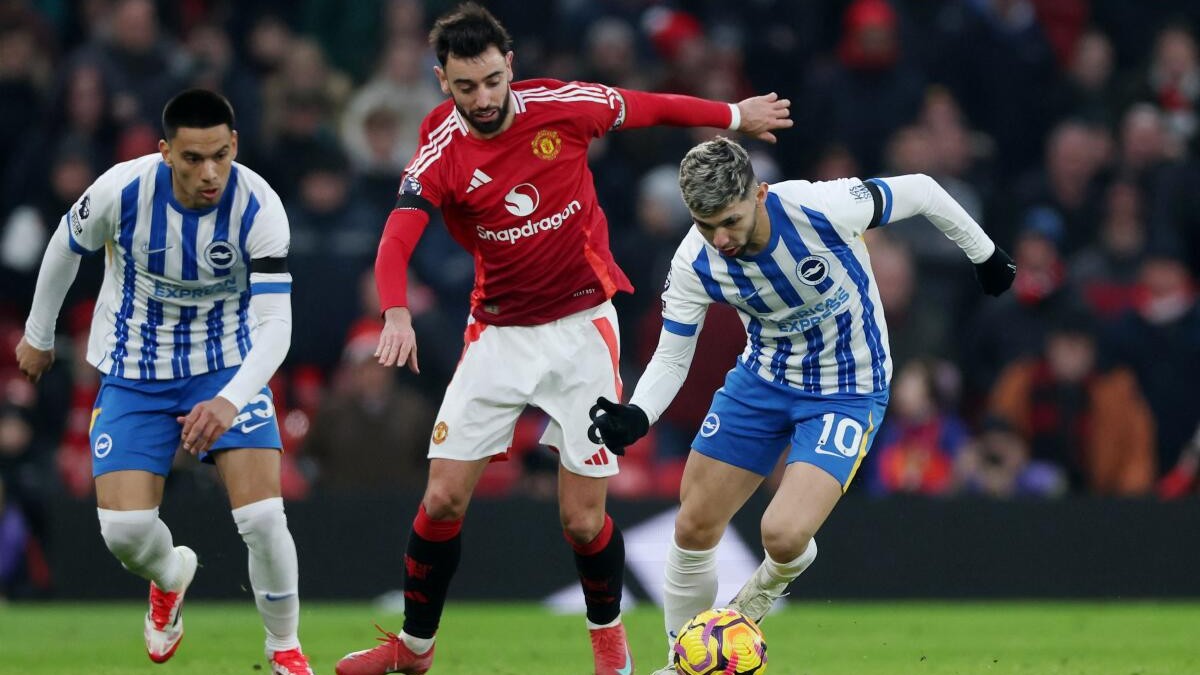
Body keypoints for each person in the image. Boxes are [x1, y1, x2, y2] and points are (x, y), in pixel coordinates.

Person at [333, 5, 792, 675]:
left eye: (492, 81)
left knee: (582, 518)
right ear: (442, 82)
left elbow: (650, 106)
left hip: (583, 330)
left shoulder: (564, 106)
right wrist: (395, 311)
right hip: (497, 331)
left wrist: (732, 115)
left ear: (510, 66)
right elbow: (399, 231)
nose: (483, 99)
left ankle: (609, 646)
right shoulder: (441, 145)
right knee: (441, 499)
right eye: (466, 87)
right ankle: (414, 648)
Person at [586, 137, 1015, 673]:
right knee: (693, 524)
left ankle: (759, 595)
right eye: (704, 223)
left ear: (759, 193)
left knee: (783, 535)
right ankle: (684, 663)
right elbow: (673, 357)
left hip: (849, 389)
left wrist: (987, 255)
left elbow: (925, 191)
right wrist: (639, 413)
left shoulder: (821, 208)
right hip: (762, 381)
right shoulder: (696, 262)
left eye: (730, 220)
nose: (720, 238)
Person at [13, 89, 314, 675]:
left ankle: (285, 651)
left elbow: (277, 324)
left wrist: (229, 400)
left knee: (262, 518)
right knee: (125, 532)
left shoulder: (260, 207)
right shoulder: (120, 190)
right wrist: (39, 334)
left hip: (229, 364)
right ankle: (171, 574)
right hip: (135, 370)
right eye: (194, 158)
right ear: (165, 152)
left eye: (221, 156)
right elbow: (63, 245)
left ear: (235, 147)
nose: (211, 173)